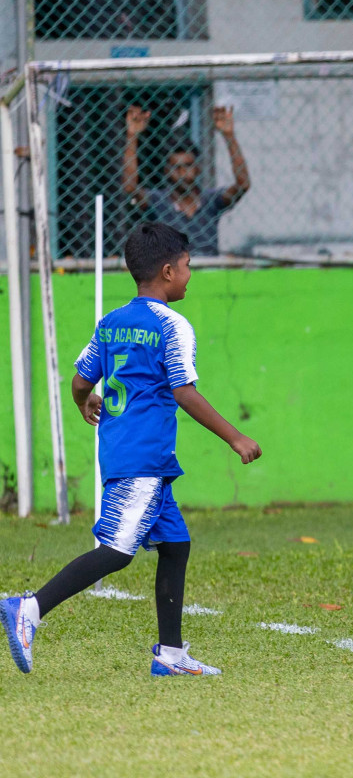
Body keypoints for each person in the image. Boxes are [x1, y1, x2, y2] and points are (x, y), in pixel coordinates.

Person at [3, 223, 263, 677]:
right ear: (167, 271)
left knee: (176, 546)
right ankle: (30, 608)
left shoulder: (112, 323)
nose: (189, 274)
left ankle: (171, 655)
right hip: (143, 457)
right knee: (118, 550)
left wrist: (85, 401)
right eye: (187, 267)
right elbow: (183, 391)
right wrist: (235, 437)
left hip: (128, 453)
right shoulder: (172, 326)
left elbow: (82, 379)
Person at [123, 105, 251, 256]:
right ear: (166, 172)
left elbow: (242, 185)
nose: (183, 172)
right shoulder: (158, 201)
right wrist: (132, 135)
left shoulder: (210, 200)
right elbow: (130, 187)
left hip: (209, 274)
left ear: (197, 169)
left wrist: (229, 135)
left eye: (188, 166)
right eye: (176, 167)